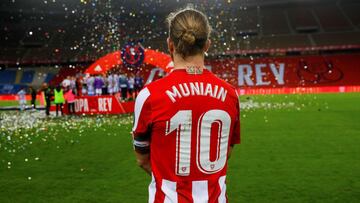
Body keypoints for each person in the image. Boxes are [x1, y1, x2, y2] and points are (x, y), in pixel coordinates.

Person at [132, 7, 240, 202]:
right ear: (207, 45)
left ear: (170, 45)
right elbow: (227, 152)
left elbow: (142, 159)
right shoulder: (230, 94)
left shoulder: (149, 96)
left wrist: (173, 181)